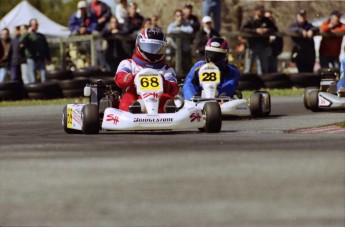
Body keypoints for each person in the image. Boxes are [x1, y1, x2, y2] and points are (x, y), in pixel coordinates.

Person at [114, 28, 179, 113]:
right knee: (127, 98)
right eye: (149, 47)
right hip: (135, 95)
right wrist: (132, 78)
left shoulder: (166, 69)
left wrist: (164, 83)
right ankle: (132, 110)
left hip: (158, 98)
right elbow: (119, 78)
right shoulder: (129, 63)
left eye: (157, 48)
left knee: (166, 98)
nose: (153, 52)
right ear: (138, 45)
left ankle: (167, 111)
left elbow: (174, 88)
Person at [241, 4, 277, 75]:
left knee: (263, 66)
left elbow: (274, 29)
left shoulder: (266, 20)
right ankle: (247, 81)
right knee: (249, 66)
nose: (262, 12)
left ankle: (263, 81)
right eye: (260, 11)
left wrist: (267, 30)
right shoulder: (250, 20)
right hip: (252, 46)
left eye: (262, 11)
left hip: (263, 46)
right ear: (256, 11)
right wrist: (255, 31)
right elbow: (243, 29)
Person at [20, 18, 51, 83]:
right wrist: (28, 33)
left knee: (43, 76)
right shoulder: (27, 36)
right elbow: (20, 41)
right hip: (31, 58)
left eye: (36, 24)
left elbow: (46, 47)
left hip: (41, 58)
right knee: (32, 78)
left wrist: (48, 58)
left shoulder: (41, 36)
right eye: (33, 25)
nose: (35, 26)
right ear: (30, 26)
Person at [167, 9, 194, 75]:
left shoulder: (186, 23)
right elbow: (170, 31)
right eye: (178, 16)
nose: (180, 17)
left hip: (184, 47)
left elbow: (190, 30)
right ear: (175, 17)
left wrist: (179, 29)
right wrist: (180, 29)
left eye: (181, 15)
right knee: (168, 39)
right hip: (175, 47)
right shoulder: (172, 25)